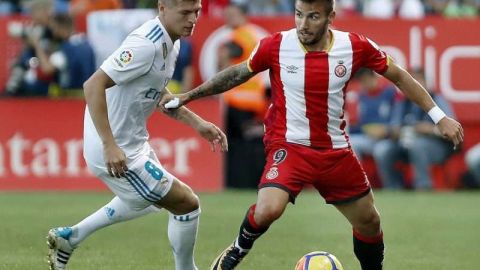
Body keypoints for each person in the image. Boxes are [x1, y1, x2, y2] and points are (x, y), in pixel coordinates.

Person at [159, 0, 464, 269]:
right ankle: (236, 251)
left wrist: (438, 116)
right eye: (298, 14)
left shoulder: (354, 46)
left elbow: (398, 75)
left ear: (331, 16)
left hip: (334, 151)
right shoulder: (276, 45)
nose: (303, 24)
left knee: (369, 222)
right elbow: (239, 72)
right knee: (268, 209)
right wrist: (190, 95)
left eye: (313, 17)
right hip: (289, 146)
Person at [46, 1, 227, 270]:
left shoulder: (172, 43)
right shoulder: (146, 44)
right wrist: (110, 145)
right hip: (114, 146)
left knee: (150, 203)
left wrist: (198, 123)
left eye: (197, 11)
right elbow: (93, 84)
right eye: (185, 12)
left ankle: (71, 238)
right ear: (163, 7)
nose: (193, 19)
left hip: (132, 141)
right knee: (187, 204)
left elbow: (157, 94)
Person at [373, 68, 457, 190]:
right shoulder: (403, 101)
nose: (415, 85)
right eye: (412, 81)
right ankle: (393, 188)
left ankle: (423, 187)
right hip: (404, 143)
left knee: (417, 146)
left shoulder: (437, 99)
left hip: (436, 146)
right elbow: (394, 126)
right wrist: (394, 131)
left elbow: (452, 129)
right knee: (382, 149)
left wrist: (430, 129)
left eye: (418, 81)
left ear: (427, 83)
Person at [219, 3, 268, 188]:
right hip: (251, 99)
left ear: (243, 15)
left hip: (239, 100)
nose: (228, 19)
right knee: (247, 141)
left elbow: (230, 54)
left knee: (236, 143)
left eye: (232, 15)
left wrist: (223, 58)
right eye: (227, 15)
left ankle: (239, 181)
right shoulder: (250, 35)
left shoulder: (241, 35)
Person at [28, 14, 96, 97]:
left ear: (61, 28)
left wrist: (37, 45)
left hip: (69, 95)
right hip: (88, 93)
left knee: (32, 85)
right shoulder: (86, 42)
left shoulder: (65, 50)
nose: (53, 33)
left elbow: (47, 69)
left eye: (54, 29)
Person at [349, 68, 397, 161]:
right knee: (349, 144)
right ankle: (358, 175)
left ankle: (384, 176)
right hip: (369, 138)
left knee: (381, 150)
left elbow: (398, 117)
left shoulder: (390, 92)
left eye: (366, 80)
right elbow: (359, 124)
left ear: (374, 77)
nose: (364, 84)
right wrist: (365, 129)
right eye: (361, 81)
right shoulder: (362, 96)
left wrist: (387, 130)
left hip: (387, 139)